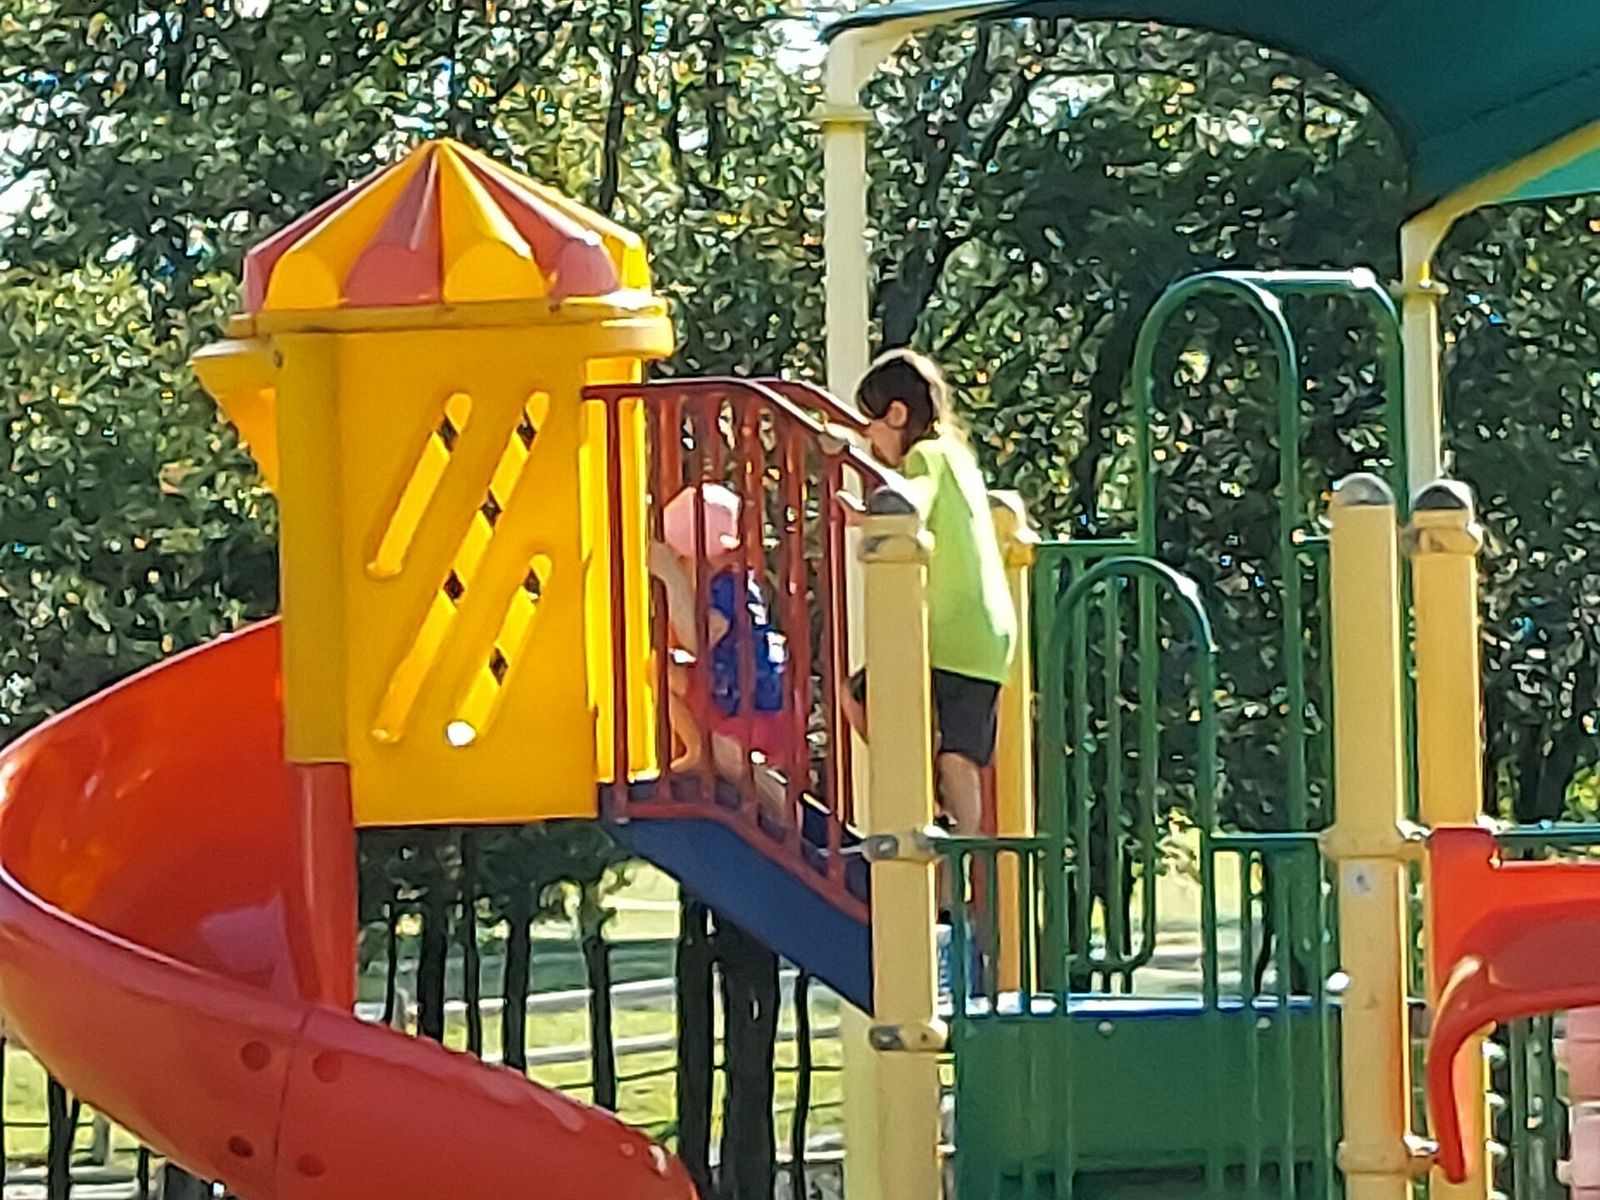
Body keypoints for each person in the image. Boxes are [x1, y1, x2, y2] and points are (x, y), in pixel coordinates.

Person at [838, 348, 1017, 845]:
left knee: (858, 696)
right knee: (960, 753)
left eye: (871, 425)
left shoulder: (925, 456)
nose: (870, 439)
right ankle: (965, 842)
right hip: (989, 632)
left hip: (949, 631)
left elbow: (912, 499)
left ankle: (919, 793)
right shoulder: (960, 456)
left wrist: (875, 515)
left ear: (897, 414)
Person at [648, 482, 791, 814]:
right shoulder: (719, 583)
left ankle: (789, 821)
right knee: (661, 669)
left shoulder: (729, 587)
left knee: (732, 759)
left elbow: (699, 640)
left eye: (682, 560)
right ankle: (697, 749)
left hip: (753, 699)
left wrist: (670, 579)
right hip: (725, 689)